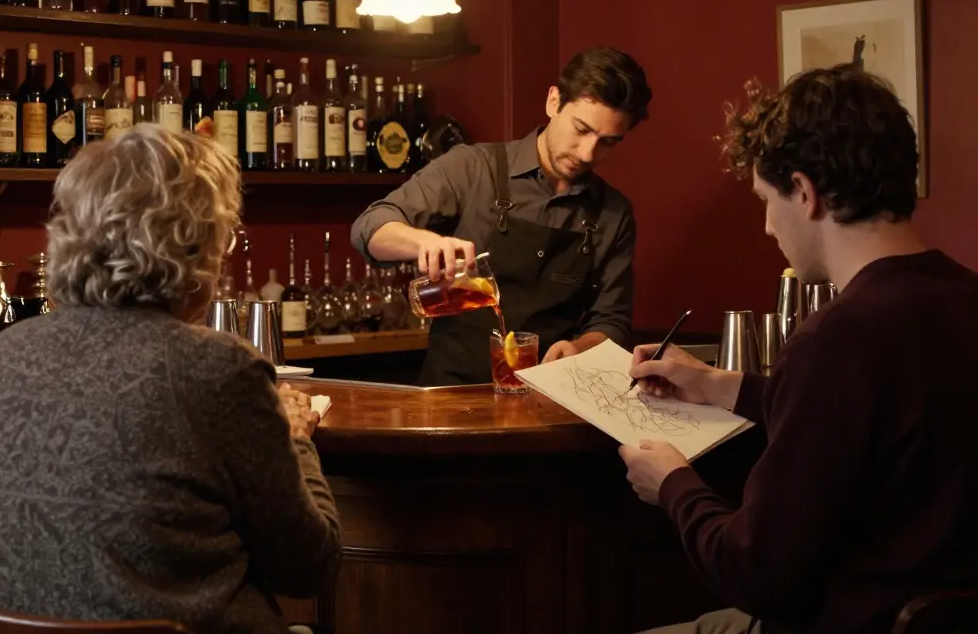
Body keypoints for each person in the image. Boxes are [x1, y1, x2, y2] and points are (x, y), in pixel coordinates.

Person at [621, 64, 978, 633]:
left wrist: (672, 482)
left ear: (805, 193)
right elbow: (878, 415)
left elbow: (757, 574)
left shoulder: (834, 340)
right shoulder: (961, 300)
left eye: (766, 199)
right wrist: (723, 386)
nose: (766, 225)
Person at [0, 124, 342, 633]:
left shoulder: (7, 352)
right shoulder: (217, 368)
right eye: (221, 235)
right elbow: (308, 566)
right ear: (194, 247)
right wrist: (297, 440)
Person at [351, 47, 652, 386]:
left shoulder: (613, 213)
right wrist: (424, 241)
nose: (587, 153)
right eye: (581, 129)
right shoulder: (473, 167)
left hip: (551, 402)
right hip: (450, 396)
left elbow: (611, 322)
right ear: (554, 102)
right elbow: (369, 228)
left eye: (607, 142)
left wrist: (579, 348)